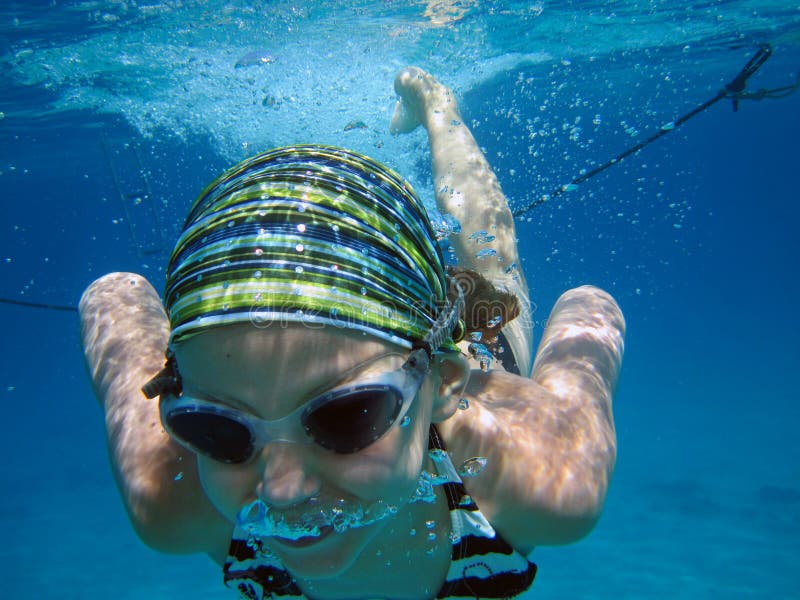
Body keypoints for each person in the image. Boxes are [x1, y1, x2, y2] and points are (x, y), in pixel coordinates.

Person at [80, 67, 624, 600]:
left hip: (480, 355)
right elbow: (112, 293)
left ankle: (436, 106)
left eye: (347, 416)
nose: (283, 490)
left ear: (445, 384)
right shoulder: (170, 501)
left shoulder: (547, 479)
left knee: (487, 254)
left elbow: (590, 306)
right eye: (216, 430)